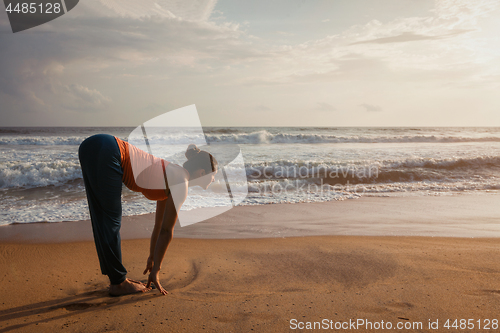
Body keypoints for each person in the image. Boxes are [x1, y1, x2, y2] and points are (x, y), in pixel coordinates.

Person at [78, 134, 217, 296]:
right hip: (109, 150)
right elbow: (166, 230)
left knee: (102, 218)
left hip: (92, 146)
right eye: (213, 175)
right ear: (202, 173)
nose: (214, 180)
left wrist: (153, 257)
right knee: (110, 220)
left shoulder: (174, 175)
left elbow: (159, 226)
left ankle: (117, 279)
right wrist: (156, 271)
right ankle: (118, 283)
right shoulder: (182, 182)